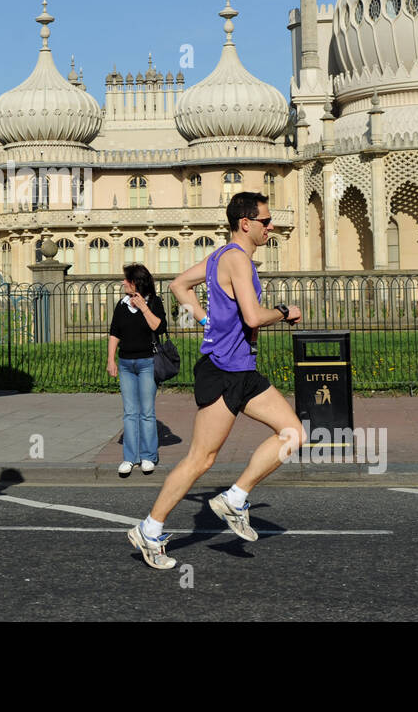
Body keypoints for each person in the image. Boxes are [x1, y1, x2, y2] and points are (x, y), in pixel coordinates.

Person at [127, 192, 305, 570]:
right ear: (246, 223)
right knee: (200, 459)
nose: (270, 226)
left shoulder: (220, 257)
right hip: (224, 371)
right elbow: (254, 317)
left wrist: (206, 320)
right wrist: (285, 311)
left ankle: (236, 498)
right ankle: (150, 528)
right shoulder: (237, 259)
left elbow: (178, 286)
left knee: (292, 434)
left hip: (241, 369)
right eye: (265, 221)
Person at [107, 263, 166, 477]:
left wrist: (143, 307)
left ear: (136, 283)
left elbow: (158, 327)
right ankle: (130, 458)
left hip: (147, 363)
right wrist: (110, 359)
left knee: (147, 413)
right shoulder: (121, 305)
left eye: (127, 280)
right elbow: (115, 332)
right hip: (125, 364)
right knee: (130, 413)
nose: (123, 282)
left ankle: (148, 456)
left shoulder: (154, 302)